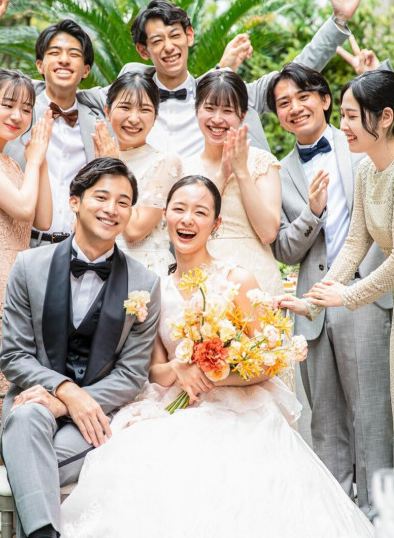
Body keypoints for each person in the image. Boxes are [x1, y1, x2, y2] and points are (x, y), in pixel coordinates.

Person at [60, 175, 374, 538]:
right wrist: (178, 368)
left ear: (216, 223)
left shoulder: (237, 280)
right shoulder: (155, 287)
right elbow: (155, 370)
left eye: (200, 212)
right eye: (179, 209)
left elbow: (269, 360)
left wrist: (218, 374)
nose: (187, 219)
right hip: (173, 407)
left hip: (239, 409)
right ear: (165, 216)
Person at [267, 50, 394, 517]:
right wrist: (312, 214)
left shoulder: (362, 142)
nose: (294, 107)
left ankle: (380, 515)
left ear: (325, 100)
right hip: (316, 303)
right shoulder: (279, 170)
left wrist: (380, 78)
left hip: (368, 295)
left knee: (372, 418)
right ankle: (337, 517)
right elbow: (283, 248)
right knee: (326, 423)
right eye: (282, 103)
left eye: (303, 96)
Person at [0, 157, 161, 538]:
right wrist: (66, 392)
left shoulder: (145, 284)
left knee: (28, 459)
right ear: (75, 201)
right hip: (35, 403)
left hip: (96, 417)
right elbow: (14, 355)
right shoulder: (28, 267)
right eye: (101, 197)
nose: (112, 209)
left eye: (123, 202)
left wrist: (76, 403)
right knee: (25, 419)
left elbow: (131, 375)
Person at [81, 0, 369, 158]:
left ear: (189, 36)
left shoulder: (229, 97)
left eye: (175, 35)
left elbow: (294, 75)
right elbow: (70, 95)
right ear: (144, 50)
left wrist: (338, 21)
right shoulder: (125, 99)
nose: (168, 47)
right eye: (157, 41)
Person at [0, 0, 103, 246]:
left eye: (73, 54)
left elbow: (141, 91)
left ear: (85, 70)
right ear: (40, 65)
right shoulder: (12, 108)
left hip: (81, 248)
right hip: (20, 244)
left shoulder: (100, 117)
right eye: (55, 52)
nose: (64, 60)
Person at [0, 67, 53, 435]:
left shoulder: (13, 162)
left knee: (14, 378)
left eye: (26, 109)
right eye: (8, 105)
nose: (18, 116)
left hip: (18, 279)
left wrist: (38, 159)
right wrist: (35, 160)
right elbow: (21, 207)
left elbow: (43, 218)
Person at [184, 69, 284, 297]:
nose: (217, 119)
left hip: (258, 283)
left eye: (227, 111)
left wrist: (241, 172)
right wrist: (223, 174)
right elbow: (190, 225)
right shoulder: (185, 168)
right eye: (210, 108)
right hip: (203, 284)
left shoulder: (262, 162)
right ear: (196, 110)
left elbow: (268, 232)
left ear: (242, 115)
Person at [93, 71, 181, 276]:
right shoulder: (98, 159)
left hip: (145, 271)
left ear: (155, 117)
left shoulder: (167, 162)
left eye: (144, 110)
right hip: (99, 268)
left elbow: (134, 231)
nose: (134, 119)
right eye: (125, 107)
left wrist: (113, 166)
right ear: (107, 111)